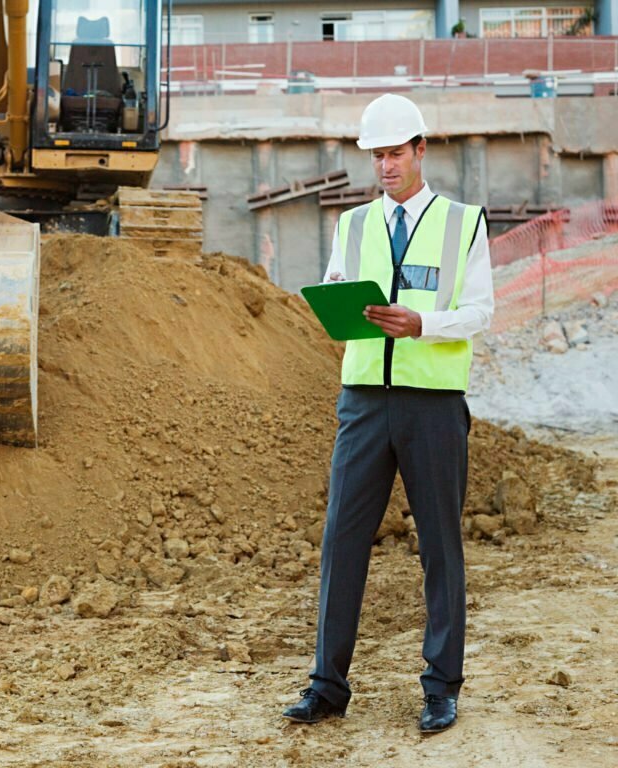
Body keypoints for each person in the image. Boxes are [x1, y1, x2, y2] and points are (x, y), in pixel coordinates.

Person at [283, 93, 493, 734]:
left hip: (432, 406)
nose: (386, 166)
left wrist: (423, 323)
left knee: (439, 546)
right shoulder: (351, 226)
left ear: (421, 150)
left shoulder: (464, 223)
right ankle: (327, 686)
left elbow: (482, 310)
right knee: (342, 543)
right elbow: (336, 290)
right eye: (377, 156)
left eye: (395, 153)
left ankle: (441, 687)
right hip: (363, 403)